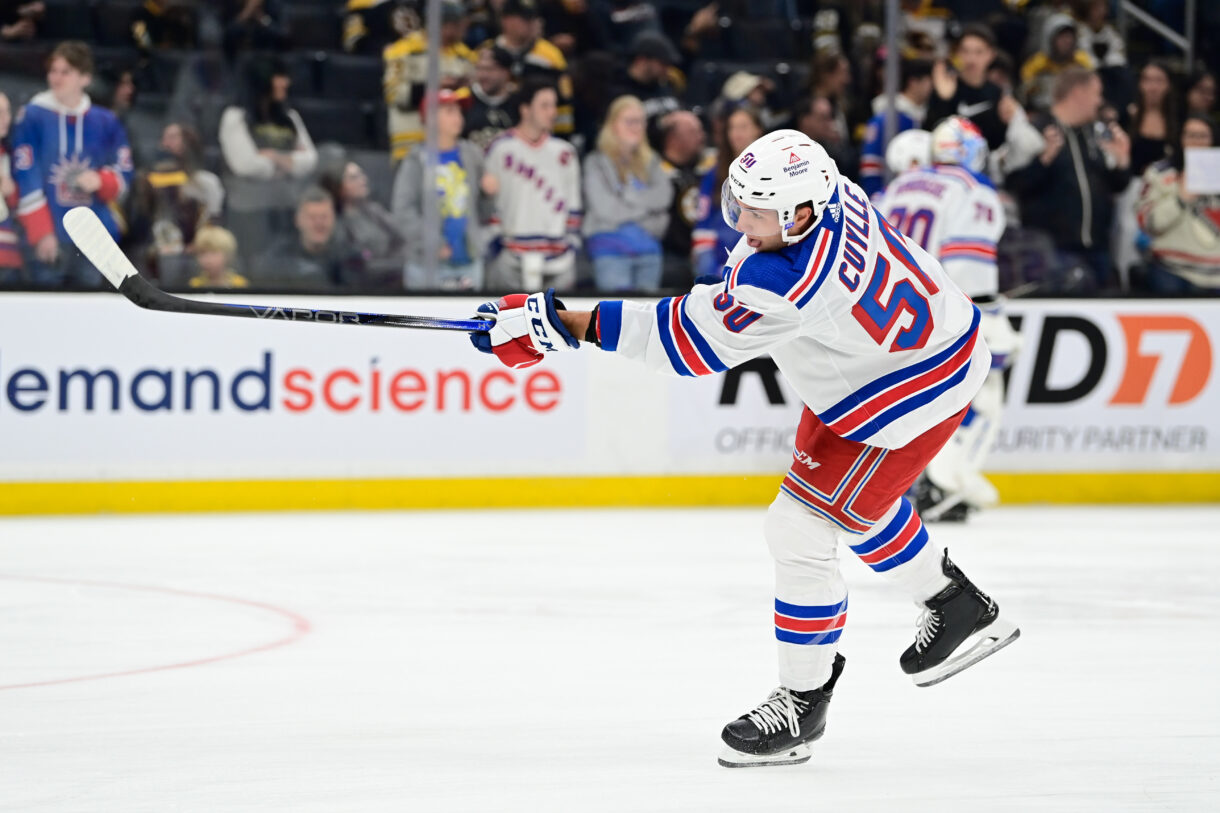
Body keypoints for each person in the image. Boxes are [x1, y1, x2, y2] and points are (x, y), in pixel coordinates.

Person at [469, 128, 1020, 768]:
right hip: (894, 357)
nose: (741, 221)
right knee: (857, 506)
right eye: (741, 204)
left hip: (908, 387)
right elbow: (730, 290)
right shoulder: (826, 191)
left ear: (800, 214)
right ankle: (956, 606)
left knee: (800, 528)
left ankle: (803, 702)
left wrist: (557, 325)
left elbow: (686, 343)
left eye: (756, 213)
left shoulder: (789, 278)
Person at [879, 117, 1018, 521]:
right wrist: (988, 319)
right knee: (980, 389)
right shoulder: (973, 191)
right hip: (937, 311)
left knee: (906, 403)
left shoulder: (894, 189)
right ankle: (945, 482)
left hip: (885, 312)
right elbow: (967, 271)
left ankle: (905, 485)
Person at [12, 40, 134, 288]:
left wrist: (102, 180)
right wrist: (41, 232)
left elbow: (124, 169)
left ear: (85, 78)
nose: (56, 78)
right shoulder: (32, 116)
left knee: (90, 314)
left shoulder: (105, 120)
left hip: (94, 238)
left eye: (65, 71)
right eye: (53, 71)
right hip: (50, 234)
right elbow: (25, 174)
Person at [1007, 67, 1131, 289]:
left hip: (1098, 248)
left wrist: (1122, 161)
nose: (1099, 101)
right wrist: (1044, 161)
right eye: (1096, 93)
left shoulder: (1096, 134)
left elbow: (1117, 186)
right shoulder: (1034, 130)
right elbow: (1015, 185)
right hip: (1052, 250)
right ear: (1078, 92)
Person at [218, 56, 318, 268]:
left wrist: (271, 156)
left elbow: (310, 160)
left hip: (288, 207)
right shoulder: (235, 116)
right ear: (262, 81)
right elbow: (246, 165)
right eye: (279, 77)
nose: (286, 83)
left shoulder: (290, 117)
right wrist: (290, 162)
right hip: (248, 212)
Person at [482, 78, 581, 290]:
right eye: (544, 105)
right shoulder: (500, 148)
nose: (552, 112)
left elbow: (573, 203)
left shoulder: (564, 152)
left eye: (554, 105)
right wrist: (495, 241)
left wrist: (572, 243)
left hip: (558, 257)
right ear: (525, 109)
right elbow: (488, 202)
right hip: (511, 255)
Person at [392, 88, 484, 290]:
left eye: (459, 112)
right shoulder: (416, 160)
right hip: (426, 265)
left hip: (469, 261)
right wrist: (432, 243)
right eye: (450, 111)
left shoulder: (473, 156)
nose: (458, 117)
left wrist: (489, 192)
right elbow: (403, 210)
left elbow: (483, 207)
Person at [582, 95, 672, 291]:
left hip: (649, 252)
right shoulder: (596, 162)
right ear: (613, 124)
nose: (636, 127)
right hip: (610, 252)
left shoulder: (652, 161)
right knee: (616, 317)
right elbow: (606, 210)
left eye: (640, 122)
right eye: (630, 121)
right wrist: (647, 212)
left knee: (648, 318)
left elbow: (664, 198)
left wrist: (628, 197)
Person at [382, 1, 476, 163]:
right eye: (461, 25)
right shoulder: (403, 50)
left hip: (450, 144)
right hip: (410, 141)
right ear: (446, 26)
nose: (465, 30)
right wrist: (435, 86)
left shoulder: (466, 56)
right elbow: (393, 94)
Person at [1135, 115, 1220, 294]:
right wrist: (1181, 198)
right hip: (1172, 271)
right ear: (1180, 139)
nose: (1195, 142)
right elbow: (1148, 224)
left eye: (1202, 136)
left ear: (1213, 139)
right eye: (1190, 136)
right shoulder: (1159, 173)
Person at [692, 105, 764, 282]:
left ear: (758, 130)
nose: (736, 134)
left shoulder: (773, 171)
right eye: (732, 127)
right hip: (719, 253)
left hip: (758, 250)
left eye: (743, 127)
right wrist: (707, 259)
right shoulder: (715, 172)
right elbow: (703, 219)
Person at [491, 0, 574, 137]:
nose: (530, 24)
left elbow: (564, 100)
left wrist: (563, 136)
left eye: (532, 19)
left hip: (541, 133)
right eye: (524, 20)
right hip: (497, 128)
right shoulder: (488, 52)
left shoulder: (551, 54)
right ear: (506, 21)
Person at [254, 186, 363, 290]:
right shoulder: (280, 255)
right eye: (312, 217)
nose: (319, 223)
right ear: (297, 220)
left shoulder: (348, 255)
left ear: (334, 219)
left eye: (324, 217)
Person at [324, 159, 406, 290]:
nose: (363, 180)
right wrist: (402, 265)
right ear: (338, 186)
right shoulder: (337, 223)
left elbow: (402, 237)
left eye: (361, 175)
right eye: (354, 178)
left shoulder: (374, 210)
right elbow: (361, 266)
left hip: (397, 274)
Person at [926, 24, 1008, 151]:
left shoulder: (996, 94)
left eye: (979, 52)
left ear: (991, 55)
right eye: (965, 51)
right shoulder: (946, 88)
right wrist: (943, 100)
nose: (971, 59)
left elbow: (998, 144)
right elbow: (929, 134)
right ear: (956, 54)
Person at [656, 110, 714, 288]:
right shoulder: (654, 170)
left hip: (706, 251)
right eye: (693, 131)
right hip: (669, 255)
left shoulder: (711, 166)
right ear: (673, 138)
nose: (702, 136)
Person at [859, 59, 933, 198]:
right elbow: (872, 166)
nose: (931, 87)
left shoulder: (912, 116)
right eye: (929, 81)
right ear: (913, 82)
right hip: (887, 198)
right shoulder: (892, 119)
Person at [1018, 12, 1095, 112]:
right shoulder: (1036, 65)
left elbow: (1093, 90)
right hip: (1044, 112)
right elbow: (1024, 95)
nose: (1068, 41)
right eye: (1062, 37)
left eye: (1070, 36)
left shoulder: (1082, 62)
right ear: (1049, 39)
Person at [1126, 61, 1176, 177]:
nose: (1152, 87)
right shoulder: (1127, 117)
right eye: (1147, 80)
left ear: (1169, 85)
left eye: (1159, 81)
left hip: (1166, 186)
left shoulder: (1179, 120)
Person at [463, 44, 516, 152]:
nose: (483, 75)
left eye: (490, 69)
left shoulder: (519, 105)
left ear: (506, 73)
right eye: (480, 68)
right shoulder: (464, 100)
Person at [0, 91, 22, 281]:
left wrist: (12, 193)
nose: (6, 118)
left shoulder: (10, 154)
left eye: (7, 112)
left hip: (9, 257)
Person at [187, 225, 248, 289]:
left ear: (227, 254)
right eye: (203, 253)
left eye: (214, 252)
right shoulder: (194, 285)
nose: (208, 259)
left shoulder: (240, 285)